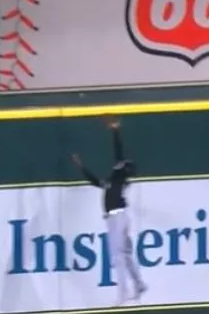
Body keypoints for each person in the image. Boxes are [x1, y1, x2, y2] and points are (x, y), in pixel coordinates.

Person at [70, 120, 147, 305]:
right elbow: (94, 181)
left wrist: (115, 132)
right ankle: (139, 284)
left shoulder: (120, 177)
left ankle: (123, 293)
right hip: (117, 218)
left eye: (122, 165)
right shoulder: (112, 181)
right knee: (125, 255)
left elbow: (118, 153)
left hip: (117, 217)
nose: (118, 165)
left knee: (118, 256)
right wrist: (81, 166)